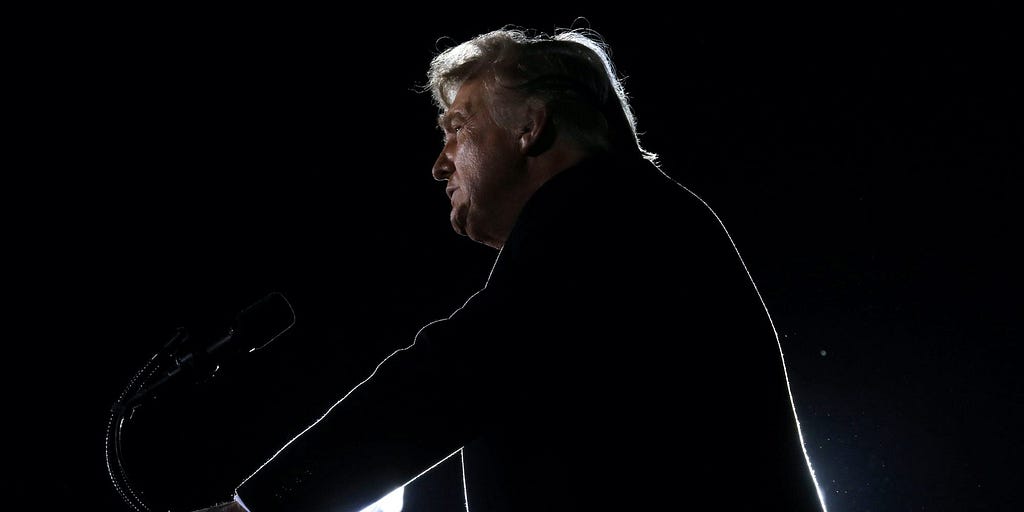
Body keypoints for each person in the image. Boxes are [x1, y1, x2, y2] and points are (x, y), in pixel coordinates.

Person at [193, 27, 825, 511]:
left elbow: (457, 371)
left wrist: (257, 506)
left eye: (457, 128)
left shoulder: (606, 211)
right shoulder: (621, 219)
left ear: (531, 126)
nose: (440, 164)